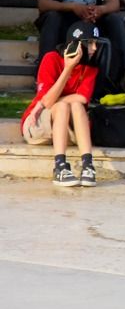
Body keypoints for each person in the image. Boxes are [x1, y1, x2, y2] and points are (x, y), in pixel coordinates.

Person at [22, 21, 106, 187]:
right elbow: (48, 100)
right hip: (38, 126)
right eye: (90, 43)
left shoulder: (90, 67)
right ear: (76, 45)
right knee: (62, 106)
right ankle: (60, 166)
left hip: (68, 130)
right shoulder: (51, 59)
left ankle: (88, 165)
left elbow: (82, 99)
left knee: (76, 106)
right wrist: (68, 68)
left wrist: (45, 103)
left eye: (96, 43)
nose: (95, 48)